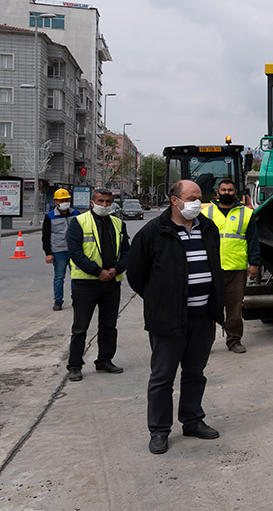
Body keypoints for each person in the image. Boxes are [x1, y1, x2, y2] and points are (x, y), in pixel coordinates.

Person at [127, 180, 224, 455]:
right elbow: (136, 275)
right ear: (174, 200)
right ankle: (159, 430)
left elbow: (213, 265)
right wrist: (161, 301)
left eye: (199, 198)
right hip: (168, 321)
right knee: (162, 378)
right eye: (191, 198)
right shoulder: (154, 232)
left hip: (202, 316)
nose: (197, 203)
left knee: (195, 373)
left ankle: (192, 420)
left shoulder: (208, 228)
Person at [65, 188, 130, 382]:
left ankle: (104, 360)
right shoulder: (79, 222)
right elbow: (75, 253)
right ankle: (75, 365)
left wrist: (115, 270)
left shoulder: (118, 224)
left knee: (109, 325)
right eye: (100, 201)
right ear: (92, 203)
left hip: (111, 283)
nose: (104, 205)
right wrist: (98, 271)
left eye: (108, 202)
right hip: (86, 284)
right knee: (80, 327)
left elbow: (127, 252)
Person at [206, 178, 259, 353]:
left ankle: (234, 340)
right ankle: (205, 342)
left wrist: (254, 264)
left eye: (230, 190)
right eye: (223, 190)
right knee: (209, 307)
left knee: (234, 308)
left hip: (237, 269)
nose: (227, 192)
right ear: (217, 193)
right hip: (212, 268)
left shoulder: (246, 213)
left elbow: (253, 241)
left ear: (235, 193)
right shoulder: (207, 213)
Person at [43, 188, 80, 311]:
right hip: (59, 251)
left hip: (75, 251)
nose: (65, 202)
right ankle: (58, 301)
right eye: (62, 200)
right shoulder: (49, 216)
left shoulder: (76, 213)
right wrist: (48, 253)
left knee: (76, 276)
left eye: (66, 200)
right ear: (56, 202)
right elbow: (46, 237)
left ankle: (76, 299)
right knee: (59, 277)